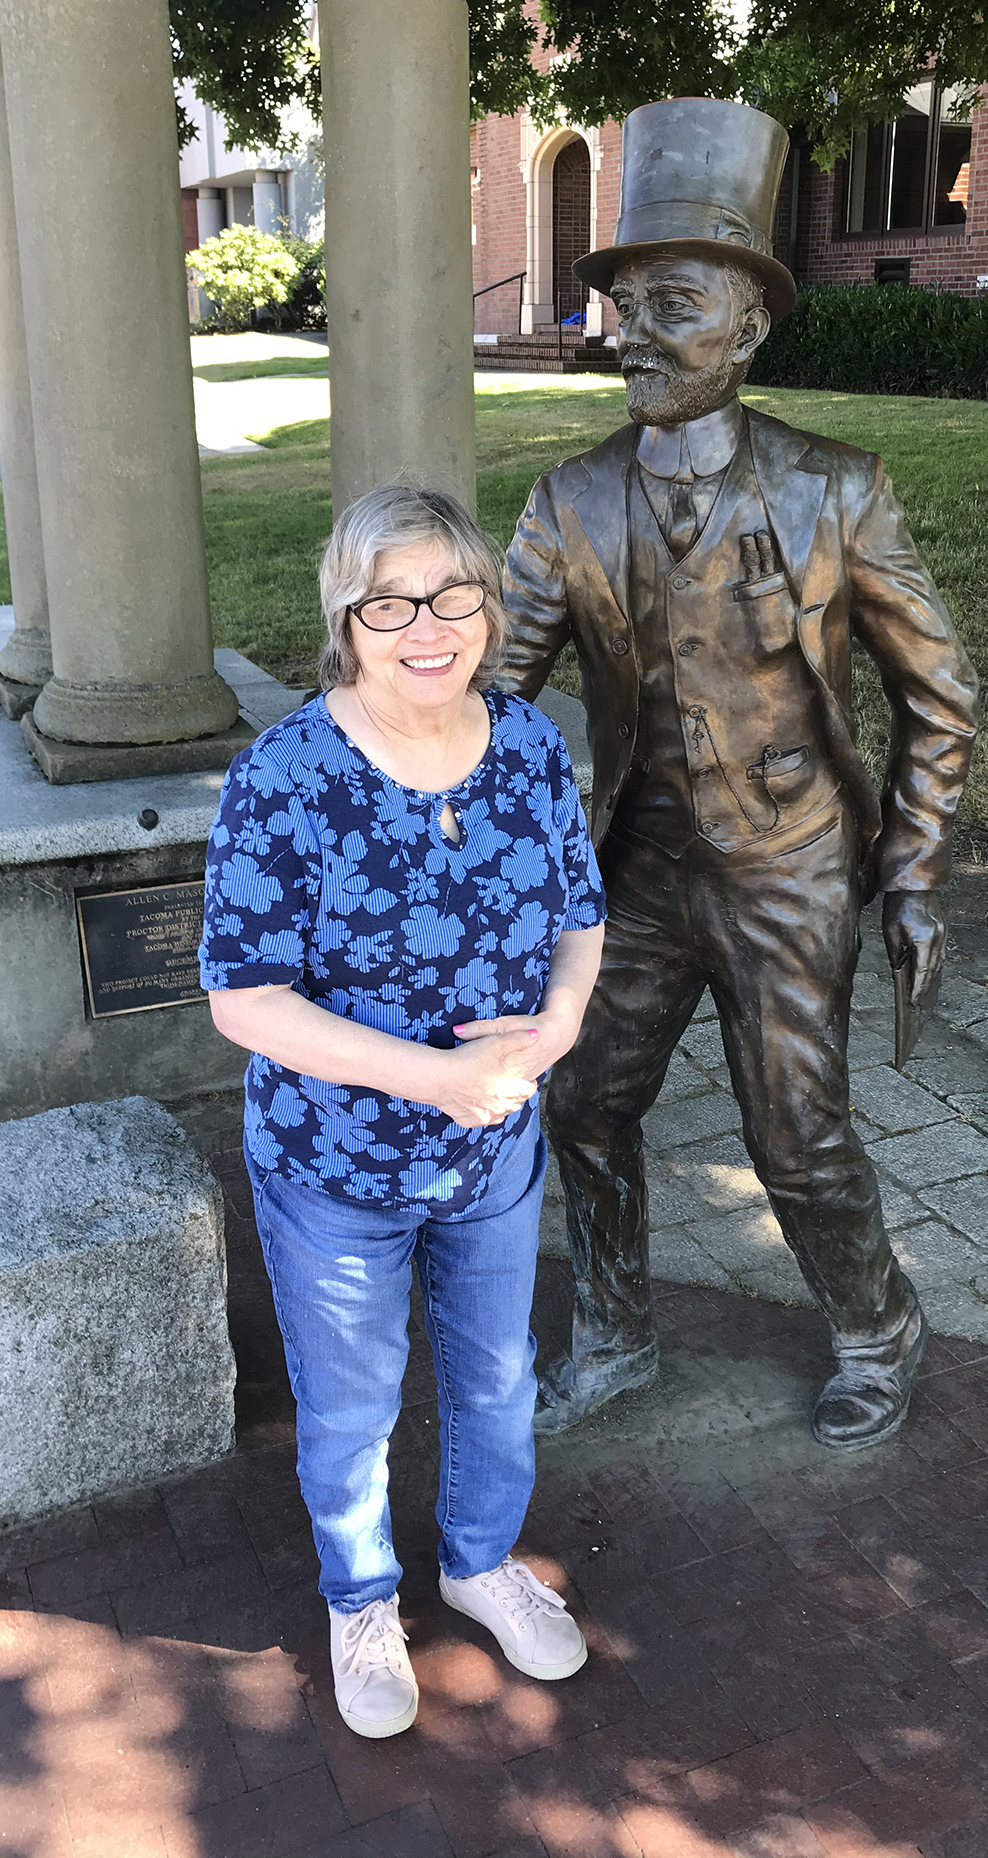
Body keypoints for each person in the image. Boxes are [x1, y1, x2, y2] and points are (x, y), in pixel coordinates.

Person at [498, 97, 979, 1450]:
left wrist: (912, 871)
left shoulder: (839, 492)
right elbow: (490, 704)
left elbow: (938, 692)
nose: (629, 334)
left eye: (672, 303)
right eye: (621, 303)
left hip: (788, 865)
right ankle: (612, 1326)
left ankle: (880, 1320)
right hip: (639, 868)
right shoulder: (568, 503)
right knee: (583, 1101)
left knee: (797, 1135)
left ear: (753, 322)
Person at [200, 483, 607, 1740]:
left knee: (495, 1377)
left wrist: (557, 1028)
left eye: (452, 594)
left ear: (487, 604)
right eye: (390, 601)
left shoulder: (531, 744)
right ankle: (360, 1594)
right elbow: (243, 997)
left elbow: (583, 921)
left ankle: (478, 1561)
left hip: (495, 1153)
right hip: (337, 1163)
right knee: (354, 1399)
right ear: (347, 615)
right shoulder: (286, 776)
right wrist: (432, 1074)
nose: (426, 625)